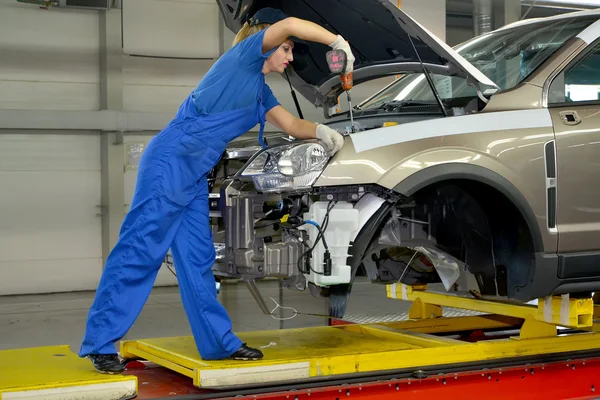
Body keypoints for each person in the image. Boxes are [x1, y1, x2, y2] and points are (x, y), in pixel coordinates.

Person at [78, 7, 354, 374]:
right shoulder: (242, 58)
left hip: (193, 175)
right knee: (140, 249)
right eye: (287, 49)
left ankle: (218, 343)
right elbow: (288, 24)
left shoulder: (258, 91)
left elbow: (289, 122)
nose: (290, 57)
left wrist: (321, 131)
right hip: (169, 163)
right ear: (266, 39)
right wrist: (335, 41)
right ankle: (99, 343)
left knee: (198, 261)